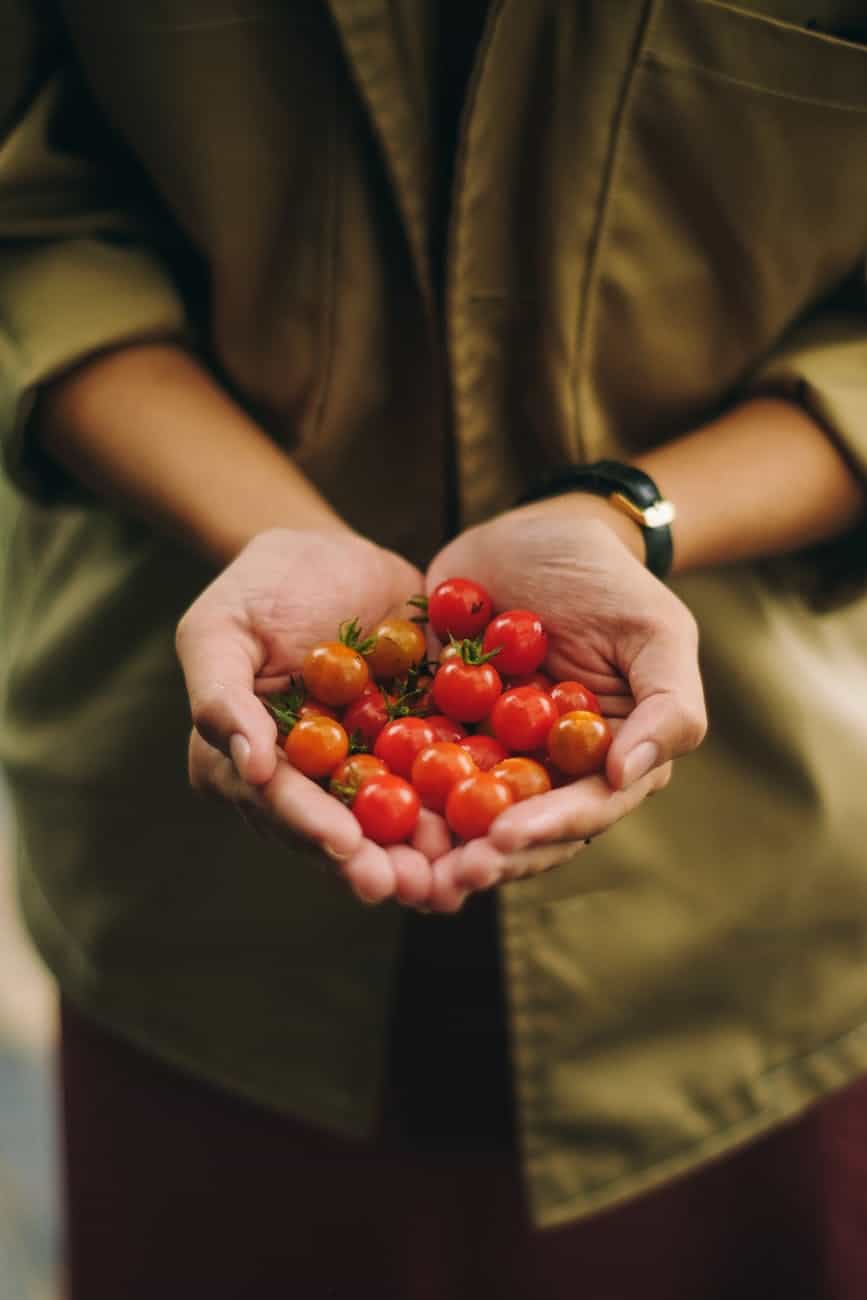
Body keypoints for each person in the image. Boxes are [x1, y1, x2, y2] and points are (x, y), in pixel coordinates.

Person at [2, 1, 867, 1296]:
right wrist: (278, 534)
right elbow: (29, 215)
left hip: (747, 918)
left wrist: (628, 519)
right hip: (194, 916)